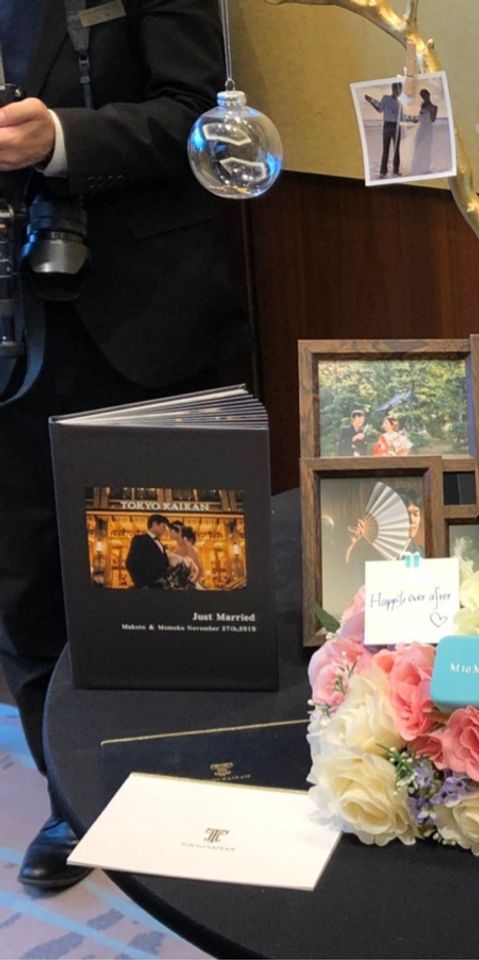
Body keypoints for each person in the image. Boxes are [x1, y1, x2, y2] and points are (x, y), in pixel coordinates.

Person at [0, 2, 242, 890]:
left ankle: (191, 794)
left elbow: (203, 119)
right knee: (23, 583)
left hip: (142, 318)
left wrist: (61, 139)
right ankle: (73, 798)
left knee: (176, 579)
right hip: (8, 322)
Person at [364, 82, 404, 179]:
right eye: (397, 89)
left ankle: (396, 170)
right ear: (393, 89)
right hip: (387, 125)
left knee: (396, 150)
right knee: (386, 149)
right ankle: (383, 172)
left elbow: (402, 118)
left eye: (400, 90)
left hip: (397, 127)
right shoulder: (386, 98)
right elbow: (379, 109)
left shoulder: (400, 103)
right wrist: (371, 101)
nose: (398, 91)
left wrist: (414, 120)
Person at [124, 514, 171, 589]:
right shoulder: (140, 540)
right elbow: (131, 563)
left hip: (160, 588)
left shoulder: (160, 543)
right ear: (155, 524)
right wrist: (141, 584)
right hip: (146, 588)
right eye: (163, 527)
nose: (165, 530)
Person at [409, 88, 438, 176]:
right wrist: (416, 119)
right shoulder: (422, 105)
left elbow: (432, 120)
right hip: (421, 128)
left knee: (426, 148)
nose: (423, 98)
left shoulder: (434, 107)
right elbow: (420, 118)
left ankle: (424, 167)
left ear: (428, 95)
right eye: (422, 96)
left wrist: (431, 111)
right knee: (418, 147)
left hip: (428, 129)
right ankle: (417, 167)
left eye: (424, 96)